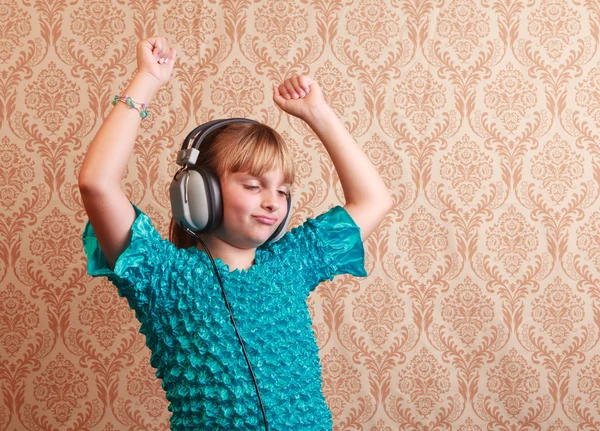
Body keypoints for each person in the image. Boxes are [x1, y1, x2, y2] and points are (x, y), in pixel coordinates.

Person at [79, 36, 392, 431]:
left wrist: (318, 113)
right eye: (252, 185)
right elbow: (97, 183)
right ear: (198, 193)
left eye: (282, 191)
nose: (273, 202)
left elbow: (373, 201)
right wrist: (147, 79)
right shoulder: (163, 276)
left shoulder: (291, 264)